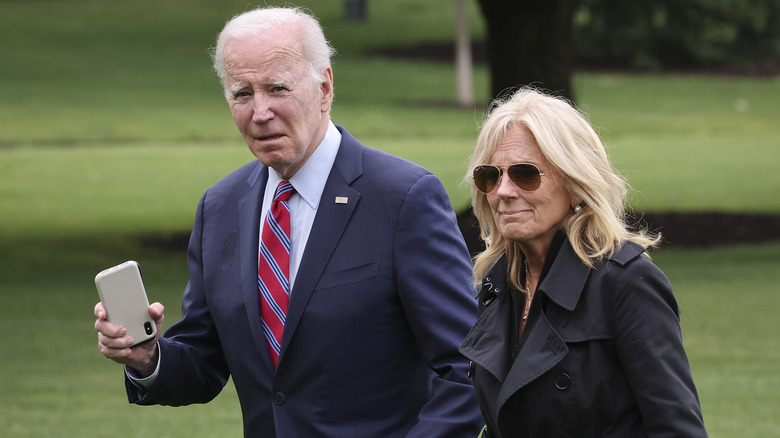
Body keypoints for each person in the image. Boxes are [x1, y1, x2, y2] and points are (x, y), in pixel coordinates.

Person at [94, 6, 482, 437]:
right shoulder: (219, 208)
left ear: (325, 87)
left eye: (277, 88)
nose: (260, 112)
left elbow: (468, 367)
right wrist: (147, 357)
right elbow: (203, 363)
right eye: (243, 94)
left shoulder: (404, 198)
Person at [459, 88, 708, 437]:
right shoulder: (498, 282)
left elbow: (677, 429)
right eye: (490, 176)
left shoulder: (626, 283)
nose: (503, 191)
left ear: (575, 183)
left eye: (525, 174)